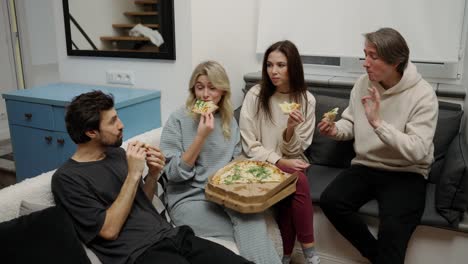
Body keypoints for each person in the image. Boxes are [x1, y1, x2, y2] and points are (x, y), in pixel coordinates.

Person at [51, 90, 252, 264]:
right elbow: (109, 230)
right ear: (91, 132)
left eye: (117, 117)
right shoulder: (67, 178)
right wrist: (133, 174)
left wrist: (153, 175)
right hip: (140, 253)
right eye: (112, 121)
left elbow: (142, 203)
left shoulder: (117, 154)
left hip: (174, 236)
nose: (121, 125)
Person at [318, 28, 438, 264]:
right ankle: (377, 256)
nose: (365, 63)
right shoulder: (363, 83)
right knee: (330, 201)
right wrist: (336, 130)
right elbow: (350, 121)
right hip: (366, 165)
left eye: (373, 56)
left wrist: (378, 123)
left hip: (407, 171)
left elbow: (417, 150)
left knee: (393, 229)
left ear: (396, 61)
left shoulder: (423, 95)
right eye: (365, 55)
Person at [160, 60, 281, 264]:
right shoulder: (178, 119)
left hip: (223, 197)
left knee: (252, 218)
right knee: (249, 229)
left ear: (223, 92)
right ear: (193, 90)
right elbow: (172, 174)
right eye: (200, 87)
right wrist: (200, 137)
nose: (205, 94)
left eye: (212, 88)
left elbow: (233, 166)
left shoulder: (228, 121)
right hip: (189, 199)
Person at [239, 40, 320, 264]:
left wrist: (291, 129)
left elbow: (297, 149)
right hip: (260, 162)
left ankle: (284, 256)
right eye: (269, 65)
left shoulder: (306, 100)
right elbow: (249, 144)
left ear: (293, 66)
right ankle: (310, 254)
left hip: (291, 161)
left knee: (291, 187)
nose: (273, 71)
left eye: (281, 65)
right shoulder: (255, 95)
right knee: (298, 182)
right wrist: (278, 161)